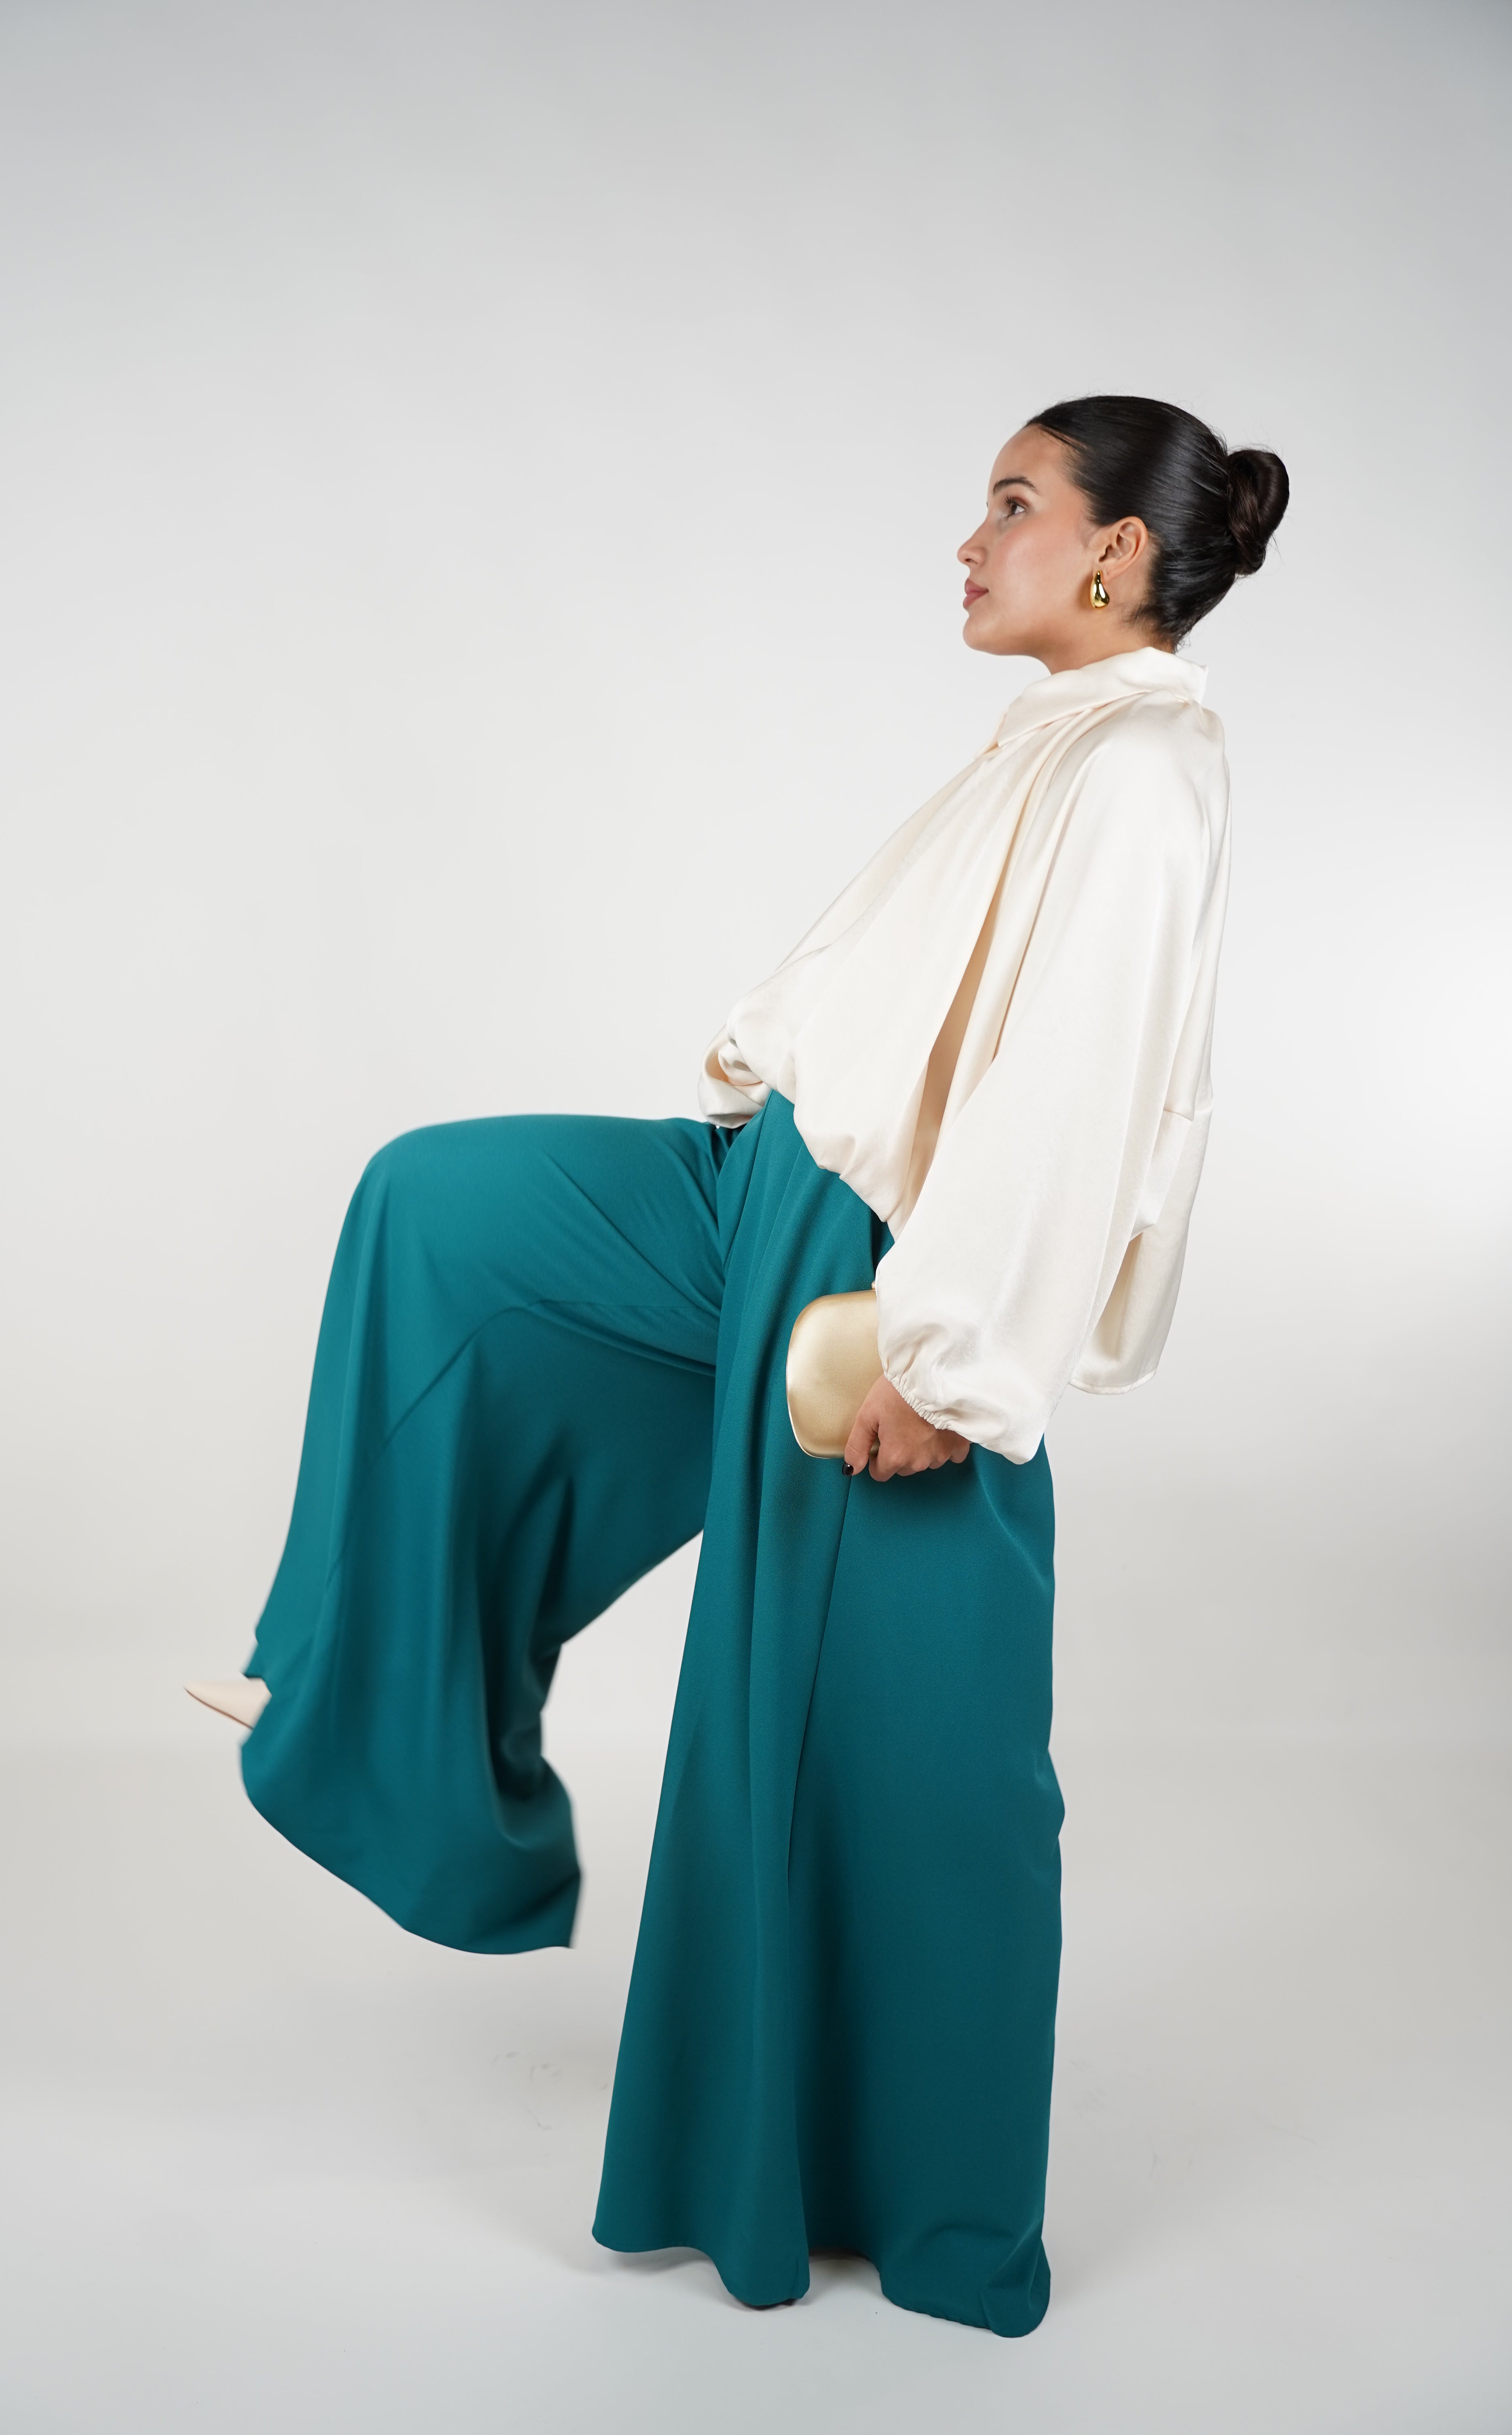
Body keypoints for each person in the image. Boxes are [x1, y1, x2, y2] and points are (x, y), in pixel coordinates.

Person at [188, 394, 1289, 2333]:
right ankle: (370, 1714)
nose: (970, 543)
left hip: (881, 1271)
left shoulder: (1142, 770)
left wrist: (954, 1358)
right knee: (441, 1212)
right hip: (761, 1196)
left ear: (1118, 552)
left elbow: (1081, 1089)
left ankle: (933, 2211)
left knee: (902, 1736)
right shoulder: (1057, 740)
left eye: (1013, 506)